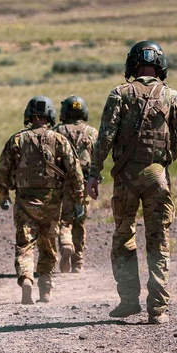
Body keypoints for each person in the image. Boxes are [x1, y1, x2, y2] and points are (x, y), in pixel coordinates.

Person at [86, 41, 177, 324]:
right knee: (158, 239)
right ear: (160, 65)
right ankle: (158, 309)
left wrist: (93, 173)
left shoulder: (119, 95)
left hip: (125, 178)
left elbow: (104, 138)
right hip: (158, 178)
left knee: (124, 236)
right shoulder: (173, 97)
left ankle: (127, 300)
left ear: (132, 64)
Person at [0, 96, 84, 305]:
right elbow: (75, 171)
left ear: (29, 115)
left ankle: (26, 278)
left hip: (25, 202)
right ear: (51, 115)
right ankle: (45, 289)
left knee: (25, 245)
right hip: (52, 204)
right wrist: (79, 198)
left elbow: (3, 171)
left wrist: (3, 193)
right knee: (48, 245)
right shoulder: (59, 140)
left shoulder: (17, 140)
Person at [53, 95, 98, 273]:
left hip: (62, 183)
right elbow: (97, 157)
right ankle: (77, 263)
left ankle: (65, 243)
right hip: (85, 183)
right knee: (80, 221)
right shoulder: (92, 132)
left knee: (64, 220)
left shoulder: (57, 131)